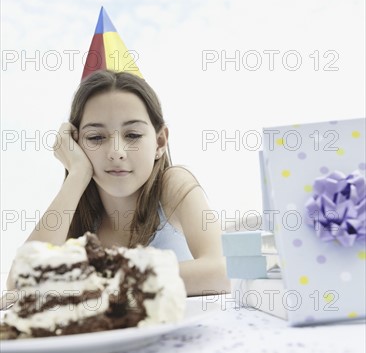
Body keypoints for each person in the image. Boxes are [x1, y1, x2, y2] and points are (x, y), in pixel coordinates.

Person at [6, 70, 230, 296]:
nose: (116, 153)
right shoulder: (77, 216)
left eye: (132, 135)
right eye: (95, 137)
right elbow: (19, 282)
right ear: (76, 145)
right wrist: (77, 174)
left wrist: (101, 280)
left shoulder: (174, 185)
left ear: (160, 142)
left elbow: (223, 271)